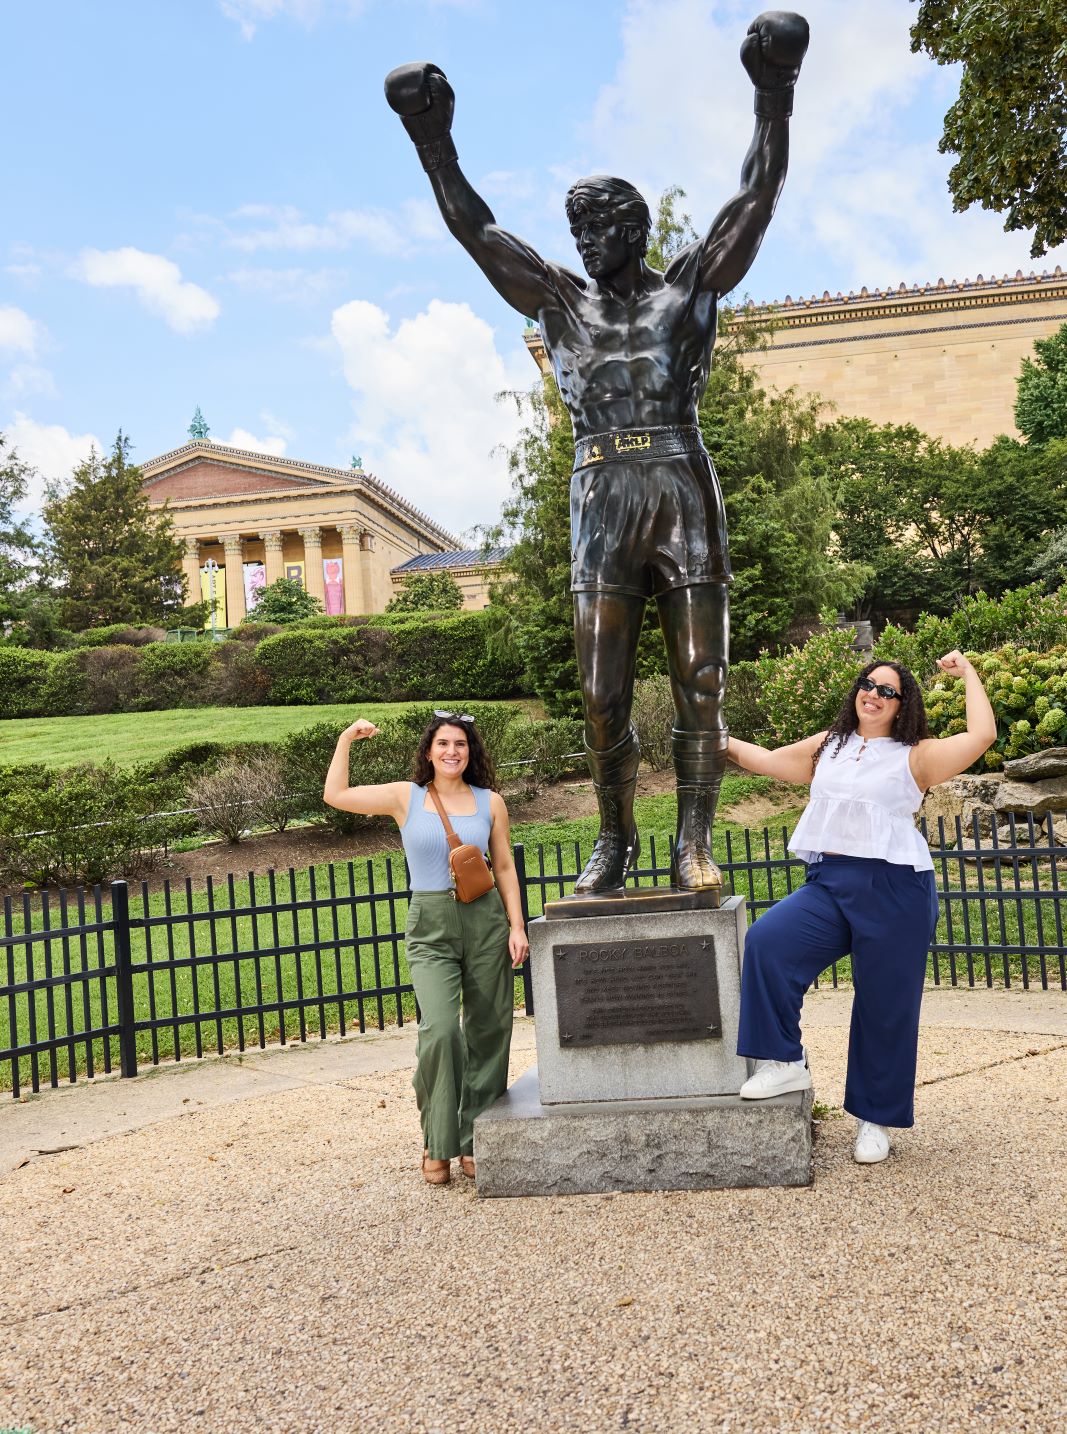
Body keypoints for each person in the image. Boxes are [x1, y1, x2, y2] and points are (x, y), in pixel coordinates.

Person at [384, 11, 810, 897]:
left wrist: (773, 92)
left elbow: (755, 199)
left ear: (634, 228)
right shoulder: (559, 302)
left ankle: (693, 841)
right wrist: (432, 141)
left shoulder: (689, 287)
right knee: (599, 690)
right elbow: (477, 231)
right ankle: (613, 840)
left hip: (679, 480)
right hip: (599, 492)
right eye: (574, 229)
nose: (582, 242)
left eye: (597, 227)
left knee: (701, 677)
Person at [726, 652, 996, 1164]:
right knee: (767, 942)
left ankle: (875, 1118)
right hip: (830, 882)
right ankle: (785, 1061)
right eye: (868, 684)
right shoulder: (829, 745)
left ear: (903, 704)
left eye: (887, 690)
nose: (873, 694)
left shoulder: (916, 756)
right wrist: (712, 736)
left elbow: (982, 736)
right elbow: (766, 759)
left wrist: (968, 673)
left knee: (883, 1005)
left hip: (896, 890)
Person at [324, 711, 529, 1185]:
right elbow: (336, 795)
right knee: (440, 1030)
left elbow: (503, 866)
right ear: (429, 751)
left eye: (460, 744)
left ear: (471, 752)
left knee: (490, 1028)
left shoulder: (490, 802)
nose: (452, 751)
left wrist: (516, 927)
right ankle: (438, 1140)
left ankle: (474, 1138)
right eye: (443, 744)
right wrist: (346, 739)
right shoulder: (406, 796)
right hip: (430, 924)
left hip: (485, 920)